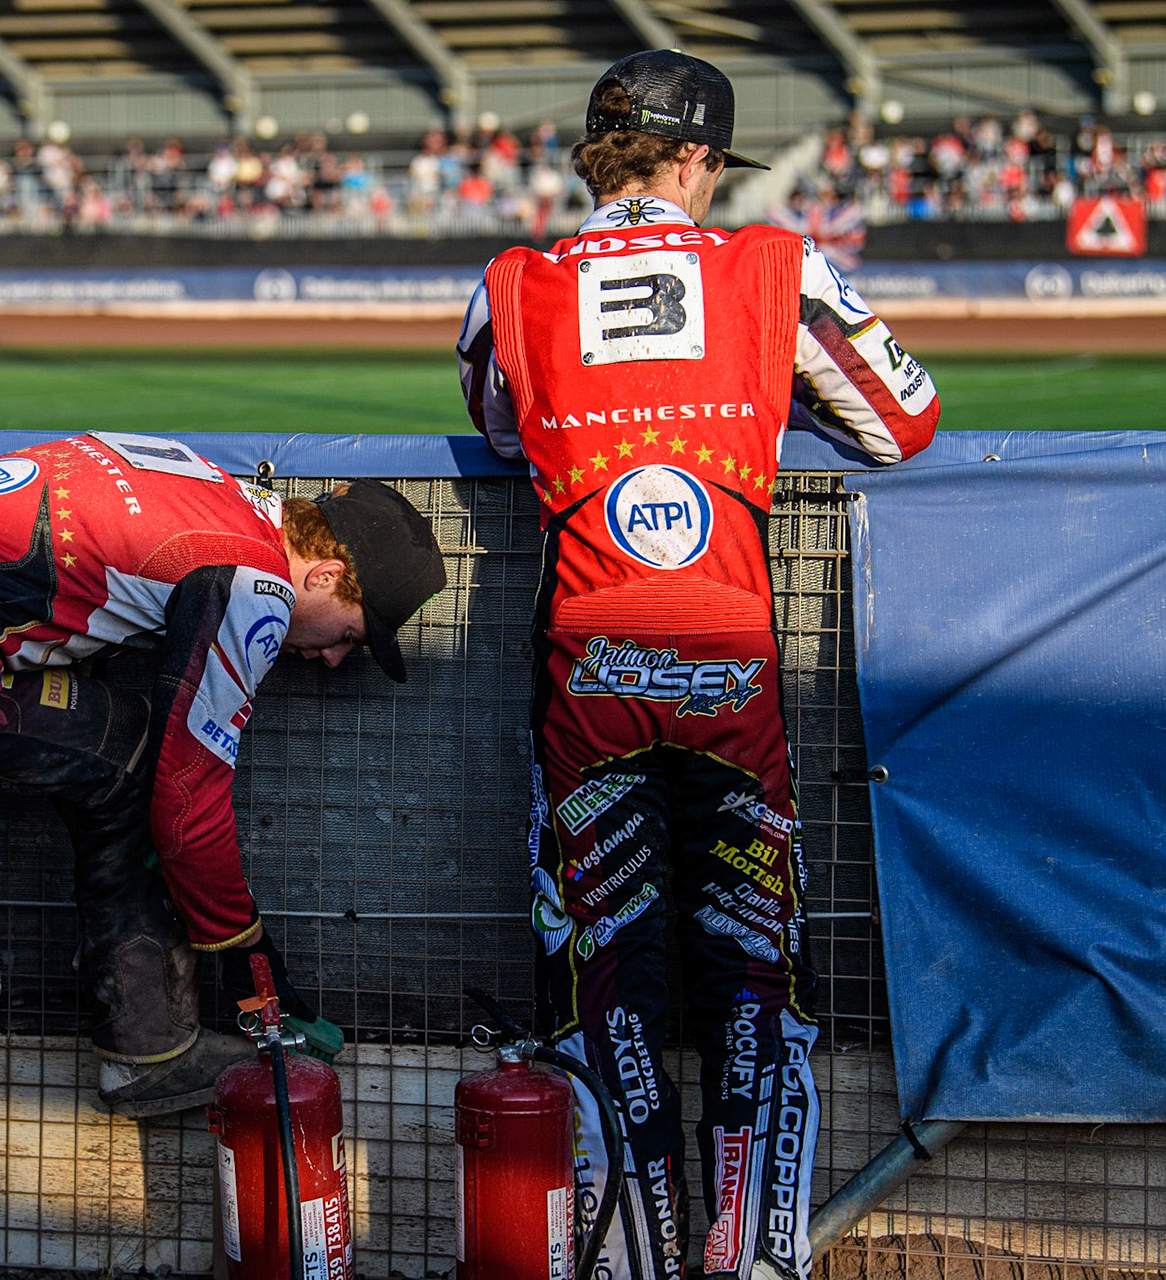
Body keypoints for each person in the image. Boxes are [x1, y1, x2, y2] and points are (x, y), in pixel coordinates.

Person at [457, 51, 939, 1280]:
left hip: (584, 661)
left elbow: (499, 425)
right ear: (700, 160)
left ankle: (628, 1255)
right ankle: (752, 1253)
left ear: (595, 156)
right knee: (752, 960)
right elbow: (901, 423)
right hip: (728, 652)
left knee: (600, 959)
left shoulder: (510, 283)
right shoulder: (776, 267)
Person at [0, 432, 446, 1280]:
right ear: (321, 575)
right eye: (352, 632)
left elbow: (162, 759)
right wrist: (245, 952)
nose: (335, 659)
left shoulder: (214, 487)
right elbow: (191, 802)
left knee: (126, 751)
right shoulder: (255, 582)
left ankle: (147, 1049)